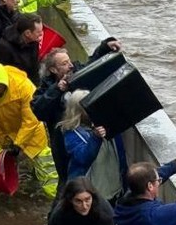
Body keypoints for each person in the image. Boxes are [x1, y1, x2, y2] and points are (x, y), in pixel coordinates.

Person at [33, 43, 123, 196]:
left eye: (69, 61)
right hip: (62, 142)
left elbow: (94, 64)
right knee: (66, 178)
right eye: (64, 63)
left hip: (89, 135)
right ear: (53, 70)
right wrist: (57, 89)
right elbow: (39, 110)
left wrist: (105, 47)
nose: (69, 66)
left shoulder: (78, 72)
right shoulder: (45, 89)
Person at [0, 62, 58, 202]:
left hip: (30, 132)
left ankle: (56, 199)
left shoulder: (24, 87)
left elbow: (31, 119)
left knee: (47, 166)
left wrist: (18, 145)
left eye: (0, 85)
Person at [57, 90, 127, 203]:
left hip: (115, 190)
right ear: (79, 110)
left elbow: (120, 154)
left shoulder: (106, 124)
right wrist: (95, 137)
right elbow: (82, 157)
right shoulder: (72, 133)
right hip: (91, 197)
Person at [0, 13, 43, 84]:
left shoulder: (33, 43)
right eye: (38, 32)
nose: (41, 34)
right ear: (27, 33)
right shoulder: (2, 48)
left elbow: (34, 71)